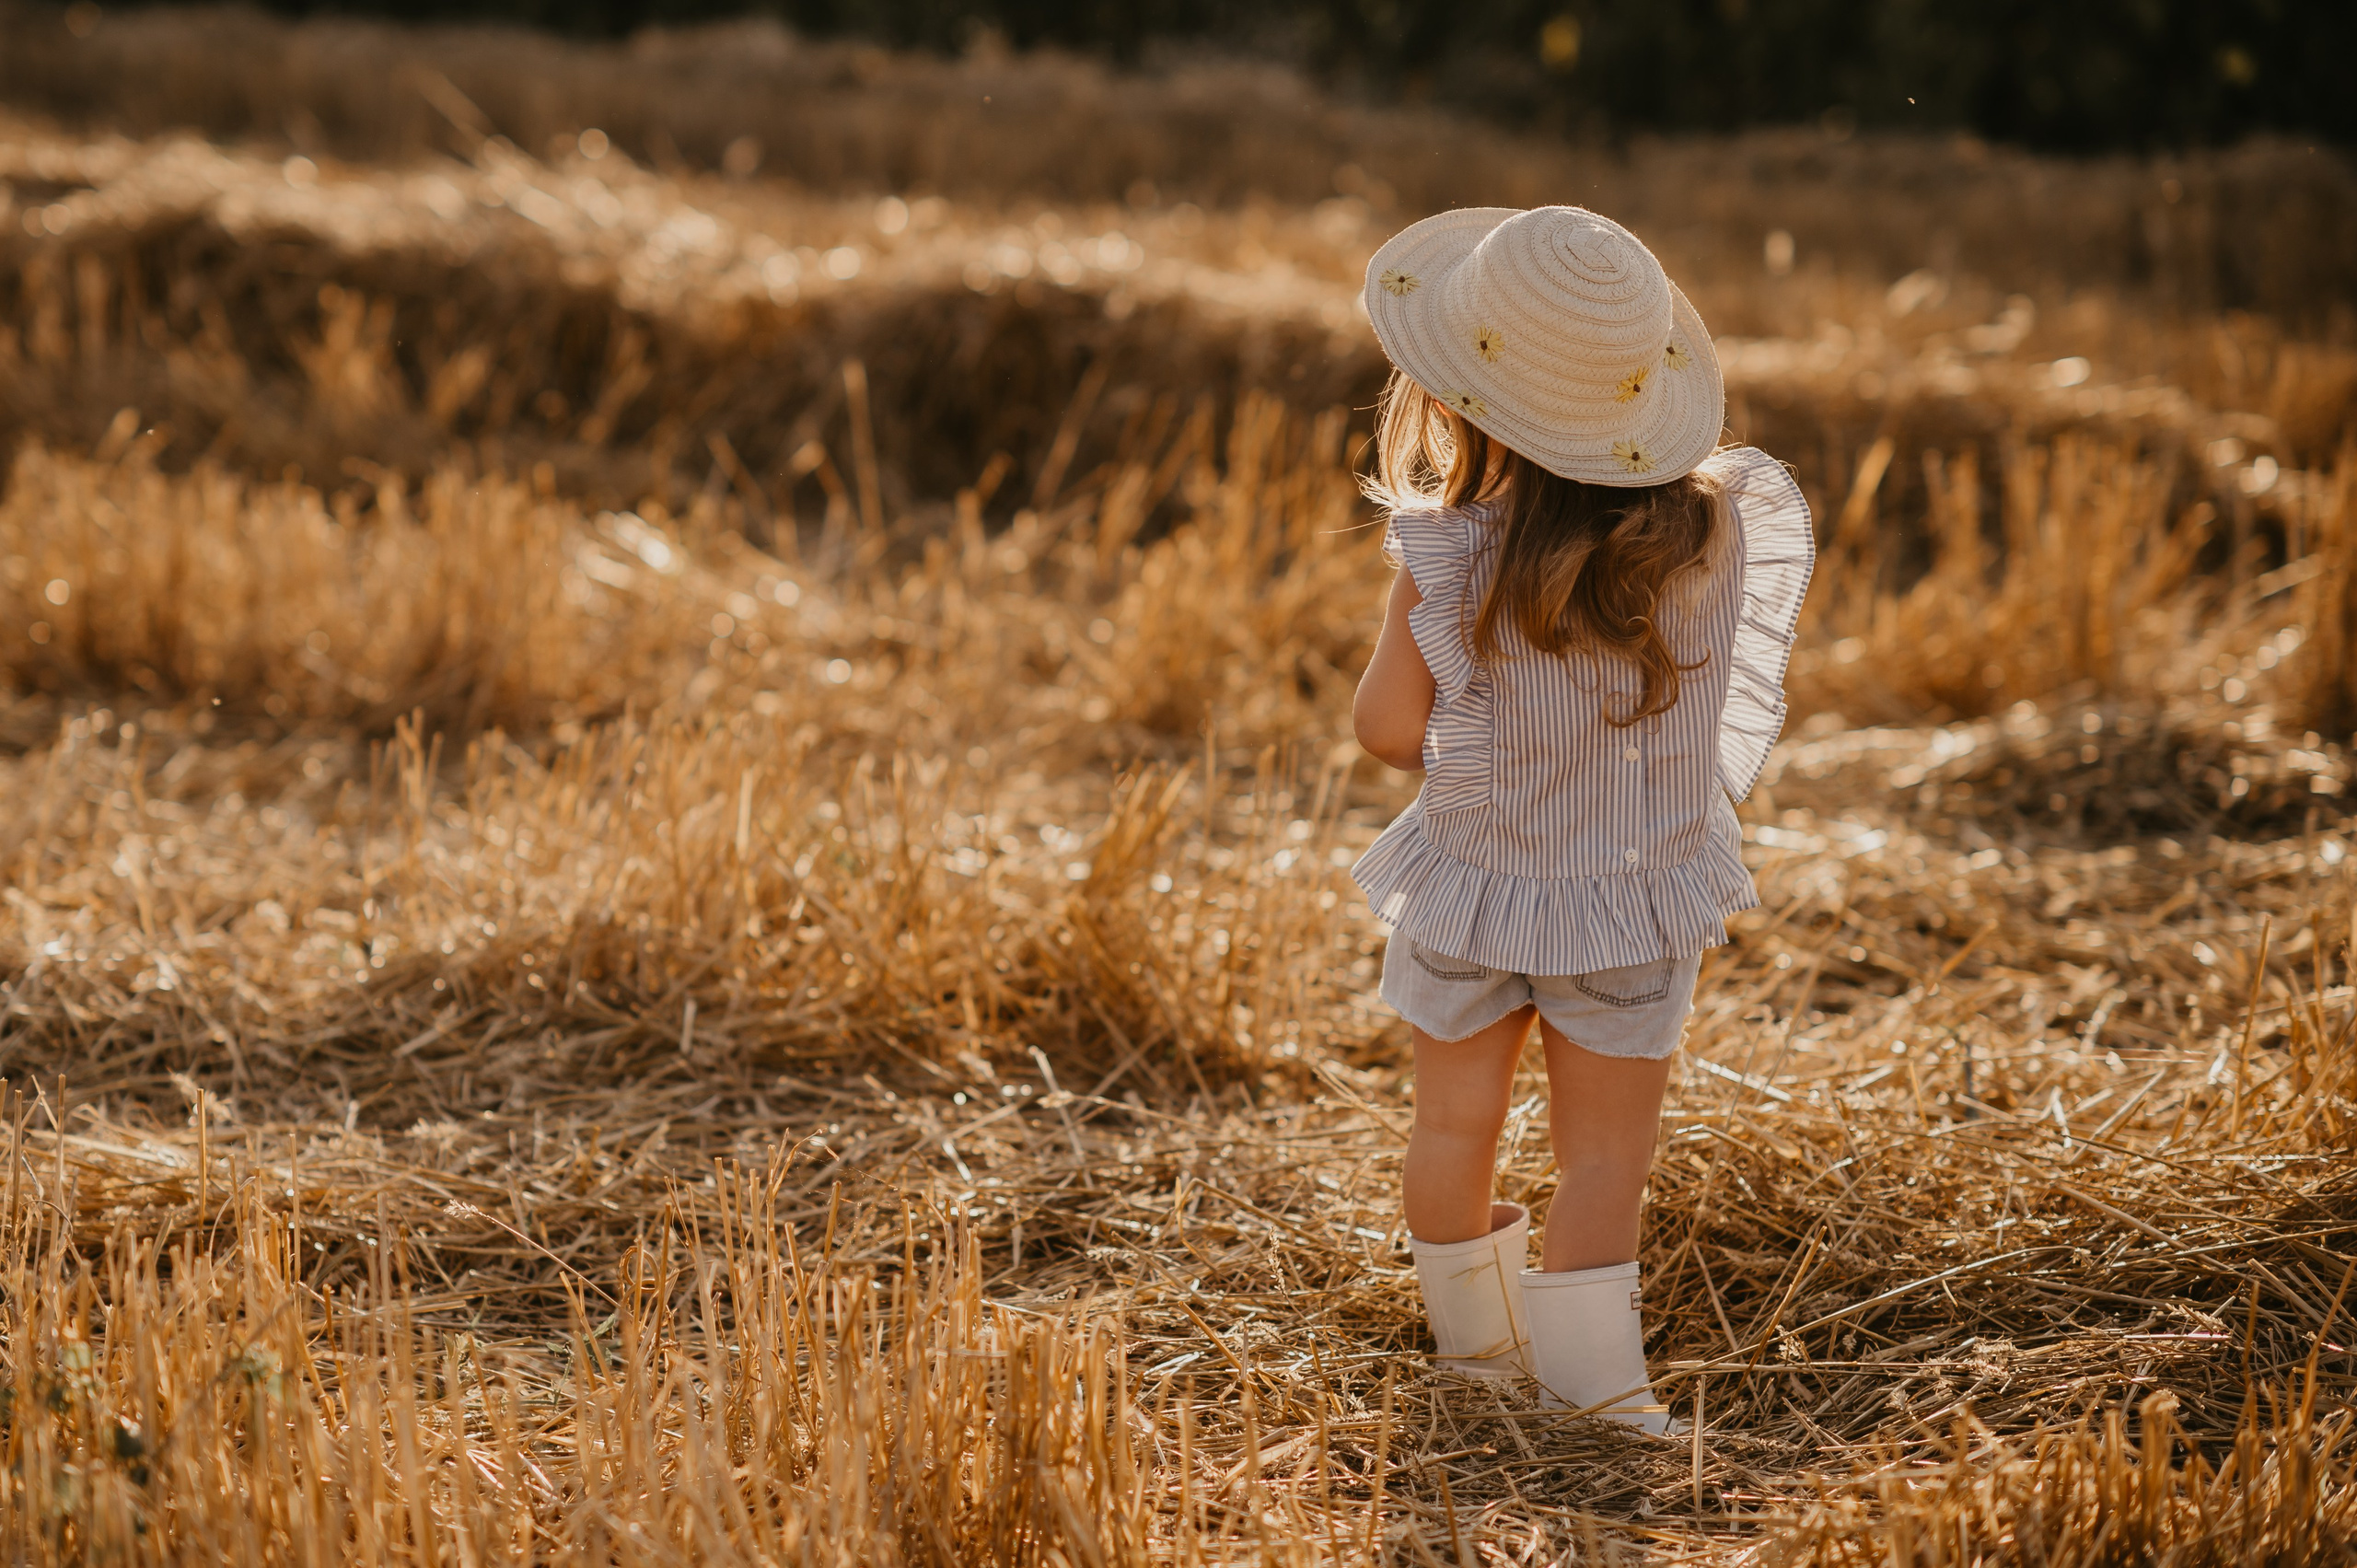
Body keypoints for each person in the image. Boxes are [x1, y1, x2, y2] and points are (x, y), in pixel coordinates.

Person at [1349, 206, 1813, 1431]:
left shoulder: (1443, 550)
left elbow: (1389, 733)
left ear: (1458, 395)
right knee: (1605, 1161)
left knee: (1452, 1127)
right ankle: (1598, 1398)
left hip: (1473, 887)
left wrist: (1431, 642)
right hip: (1627, 894)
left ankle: (1476, 1362)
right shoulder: (1717, 532)